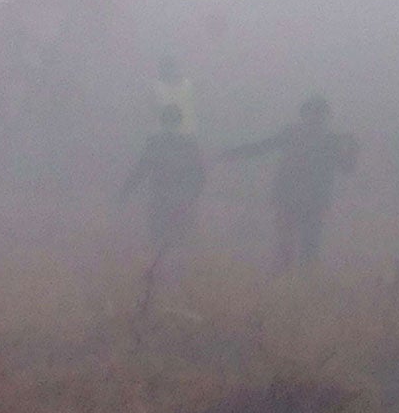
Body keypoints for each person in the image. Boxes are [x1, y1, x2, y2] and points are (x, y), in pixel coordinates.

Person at [223, 95, 360, 268]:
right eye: (313, 113)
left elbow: (347, 168)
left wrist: (353, 150)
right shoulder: (294, 134)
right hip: (288, 198)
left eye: (320, 114)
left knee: (308, 248)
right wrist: (230, 154)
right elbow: (261, 147)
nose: (316, 117)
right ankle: (285, 283)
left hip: (313, 202)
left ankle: (302, 284)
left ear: (326, 117)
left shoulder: (331, 142)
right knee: (285, 247)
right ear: (304, 115)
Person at [120, 104, 207, 257]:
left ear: (163, 121)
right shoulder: (187, 143)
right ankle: (171, 272)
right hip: (176, 199)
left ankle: (163, 270)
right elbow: (199, 174)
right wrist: (192, 194)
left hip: (166, 198)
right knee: (176, 241)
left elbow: (141, 170)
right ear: (179, 121)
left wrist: (124, 192)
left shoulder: (157, 142)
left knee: (162, 238)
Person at [152, 55, 198, 138]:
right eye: (166, 67)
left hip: (187, 134)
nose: (169, 71)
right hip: (163, 136)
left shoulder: (188, 86)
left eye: (171, 67)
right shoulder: (156, 88)